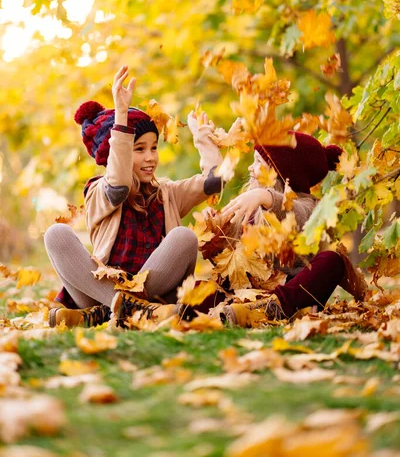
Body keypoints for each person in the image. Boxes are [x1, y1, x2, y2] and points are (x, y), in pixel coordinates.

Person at [44, 66, 223, 328]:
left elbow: (213, 182)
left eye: (153, 148)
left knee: (184, 236)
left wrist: (205, 142)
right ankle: (124, 308)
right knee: (55, 233)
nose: (150, 157)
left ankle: (100, 315)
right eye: (139, 149)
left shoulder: (166, 193)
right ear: (119, 151)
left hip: (152, 291)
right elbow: (118, 185)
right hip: (99, 290)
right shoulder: (99, 192)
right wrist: (122, 115)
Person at [198, 132, 347, 327]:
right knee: (199, 289)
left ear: (281, 173)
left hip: (291, 293)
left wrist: (265, 197)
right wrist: (215, 230)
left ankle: (272, 308)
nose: (251, 168)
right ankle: (236, 312)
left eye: (259, 163)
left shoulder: (310, 206)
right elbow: (227, 261)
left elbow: (296, 216)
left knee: (332, 261)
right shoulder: (250, 205)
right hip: (246, 292)